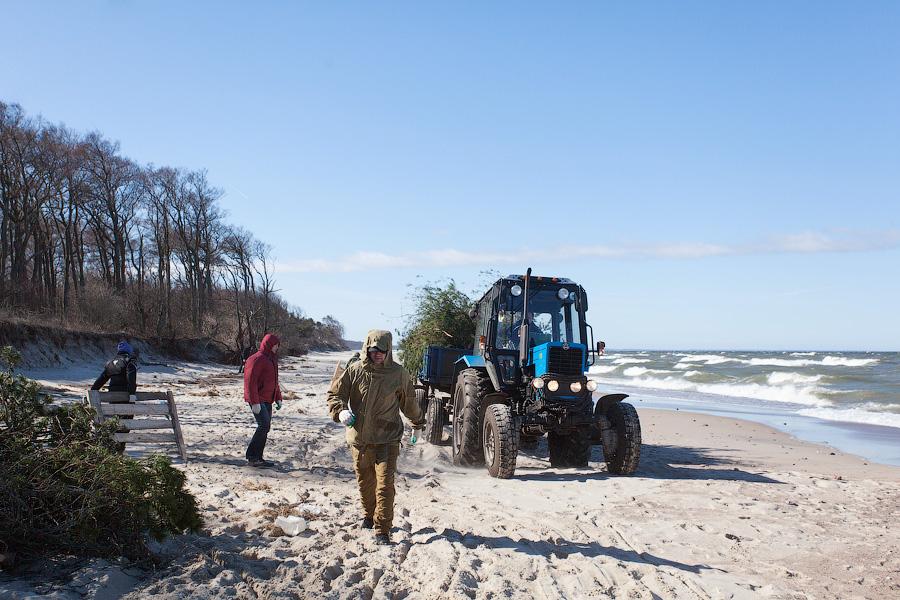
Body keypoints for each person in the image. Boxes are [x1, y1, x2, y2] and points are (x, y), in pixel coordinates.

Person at [327, 330, 424, 545]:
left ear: (389, 350)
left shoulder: (398, 373)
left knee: (384, 485)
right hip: (360, 439)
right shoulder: (354, 370)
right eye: (374, 350)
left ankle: (382, 529)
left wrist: (418, 423)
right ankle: (369, 515)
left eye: (382, 350)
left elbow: (409, 402)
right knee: (365, 482)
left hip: (388, 438)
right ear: (367, 349)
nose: (378, 354)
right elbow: (335, 395)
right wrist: (340, 410)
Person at [243, 333, 283, 468]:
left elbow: (274, 382)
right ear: (269, 344)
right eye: (275, 345)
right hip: (258, 400)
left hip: (268, 400)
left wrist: (278, 398)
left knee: (266, 428)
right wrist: (254, 402)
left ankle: (258, 457)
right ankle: (252, 457)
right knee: (263, 426)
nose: (277, 347)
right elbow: (250, 382)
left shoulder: (272, 360)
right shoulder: (256, 359)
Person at [91, 340, 139, 452]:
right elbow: (131, 378)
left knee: (114, 421)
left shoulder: (110, 363)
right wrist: (132, 394)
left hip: (112, 397)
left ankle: (112, 447)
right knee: (126, 424)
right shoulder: (129, 362)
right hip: (125, 397)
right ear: (129, 351)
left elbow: (101, 379)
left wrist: (93, 391)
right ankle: (119, 449)